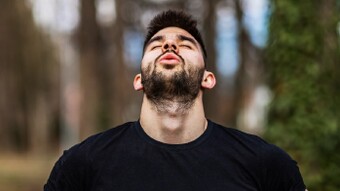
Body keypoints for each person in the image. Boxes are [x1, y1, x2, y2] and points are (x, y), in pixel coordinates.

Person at [44, 10, 307, 191]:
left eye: (186, 44)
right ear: (139, 81)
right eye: (157, 44)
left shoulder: (267, 165)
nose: (170, 45)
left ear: (208, 78)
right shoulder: (83, 165)